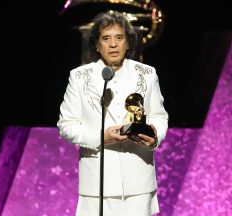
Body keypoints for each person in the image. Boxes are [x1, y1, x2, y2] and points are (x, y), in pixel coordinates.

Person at [57, 11, 168, 216]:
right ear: (97, 45)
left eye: (119, 37)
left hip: (138, 184)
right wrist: (102, 136)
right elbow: (66, 125)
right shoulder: (80, 77)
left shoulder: (147, 74)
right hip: (97, 187)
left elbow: (159, 116)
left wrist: (154, 137)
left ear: (128, 43)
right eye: (106, 39)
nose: (113, 44)